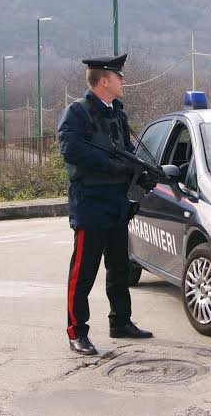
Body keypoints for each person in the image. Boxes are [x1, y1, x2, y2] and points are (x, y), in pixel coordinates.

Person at [58, 53, 157, 355]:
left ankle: (121, 322)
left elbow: (126, 153)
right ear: (104, 81)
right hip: (91, 204)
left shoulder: (117, 113)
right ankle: (77, 332)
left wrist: (141, 176)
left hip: (116, 202)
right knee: (84, 271)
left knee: (119, 267)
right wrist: (107, 166)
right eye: (119, 77)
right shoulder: (77, 112)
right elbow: (70, 148)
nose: (124, 81)